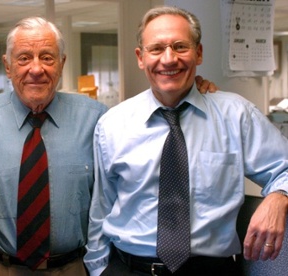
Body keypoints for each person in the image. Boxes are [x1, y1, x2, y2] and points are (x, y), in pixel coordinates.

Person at [0, 16, 216, 276]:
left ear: (62, 63)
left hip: (74, 267)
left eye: (47, 57)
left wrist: (192, 92)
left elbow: (151, 150)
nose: (36, 68)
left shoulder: (99, 119)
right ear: (7, 66)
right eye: (23, 58)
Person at [84, 6, 288, 276]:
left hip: (211, 270)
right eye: (156, 49)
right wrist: (99, 270)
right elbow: (102, 208)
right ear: (140, 57)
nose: (168, 59)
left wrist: (279, 197)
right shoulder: (112, 125)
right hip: (130, 268)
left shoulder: (236, 116)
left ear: (199, 53)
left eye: (180, 46)